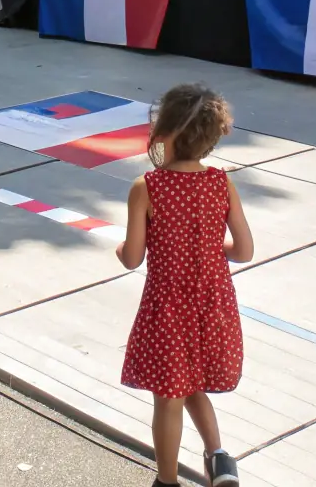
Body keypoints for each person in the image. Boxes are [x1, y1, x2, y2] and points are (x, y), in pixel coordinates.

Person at [117, 84, 253, 487]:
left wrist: (119, 246)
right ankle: (218, 458)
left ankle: (168, 480)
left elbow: (132, 257)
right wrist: (211, 245)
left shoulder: (149, 187)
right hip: (213, 301)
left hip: (169, 304)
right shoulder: (220, 182)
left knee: (169, 397)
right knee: (191, 382)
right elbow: (243, 250)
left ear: (167, 132)